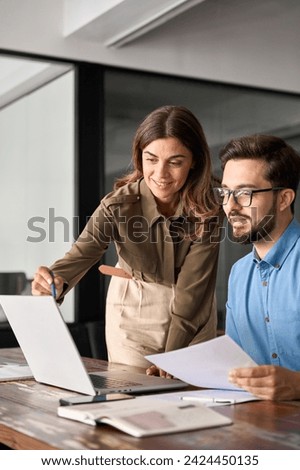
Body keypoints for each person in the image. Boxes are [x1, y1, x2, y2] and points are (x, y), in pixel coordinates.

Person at [32, 105, 221, 374]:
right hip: (135, 310)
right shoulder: (118, 205)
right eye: (151, 159)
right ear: (139, 156)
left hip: (194, 311)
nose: (160, 174)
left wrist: (173, 355)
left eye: (175, 162)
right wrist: (54, 281)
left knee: (194, 401)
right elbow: (83, 253)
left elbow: (194, 287)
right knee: (133, 399)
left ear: (195, 162)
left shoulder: (209, 208)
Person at [214, 134, 300, 400]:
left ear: (284, 199)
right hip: (257, 424)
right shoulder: (239, 275)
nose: (230, 206)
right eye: (226, 193)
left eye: (244, 193)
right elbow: (236, 365)